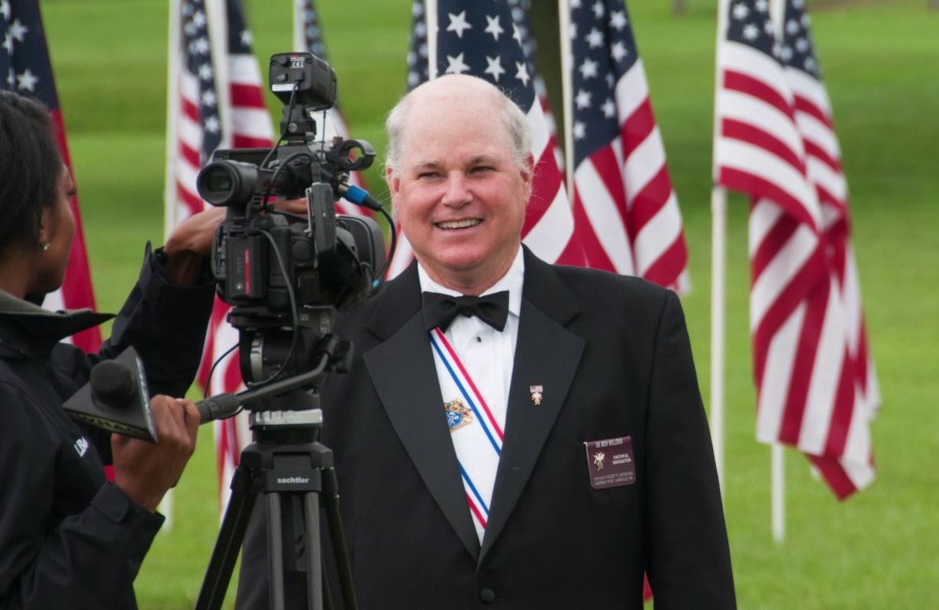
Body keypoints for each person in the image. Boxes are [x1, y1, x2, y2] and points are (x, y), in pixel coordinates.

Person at [237, 74, 735, 608]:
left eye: (480, 168)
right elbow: (279, 578)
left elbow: (694, 566)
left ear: (525, 176)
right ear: (397, 189)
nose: (456, 195)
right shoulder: (329, 345)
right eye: (431, 174)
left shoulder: (636, 327)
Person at [0, 90, 222, 609]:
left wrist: (179, 268)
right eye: (66, 196)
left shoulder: (19, 355)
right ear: (39, 222)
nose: (71, 214)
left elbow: (99, 398)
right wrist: (131, 499)